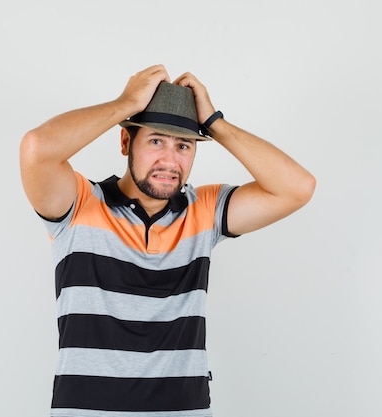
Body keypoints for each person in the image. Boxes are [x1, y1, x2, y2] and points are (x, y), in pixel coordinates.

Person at [19, 64, 316, 417]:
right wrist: (126, 103)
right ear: (126, 141)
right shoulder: (79, 202)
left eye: (184, 145)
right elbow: (36, 148)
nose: (170, 160)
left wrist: (215, 123)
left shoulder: (202, 210)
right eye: (156, 140)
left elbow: (298, 188)